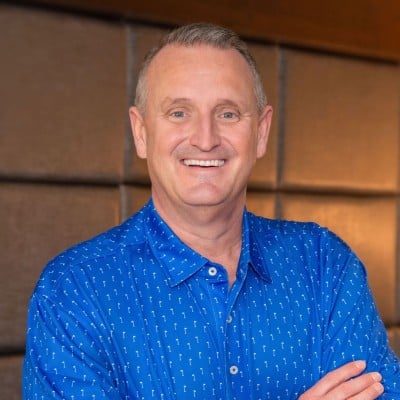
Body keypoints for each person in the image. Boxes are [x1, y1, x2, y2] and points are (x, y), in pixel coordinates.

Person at [23, 22, 400, 399]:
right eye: (178, 113)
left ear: (261, 132)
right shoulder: (75, 289)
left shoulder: (323, 263)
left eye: (228, 114)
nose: (205, 139)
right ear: (141, 132)